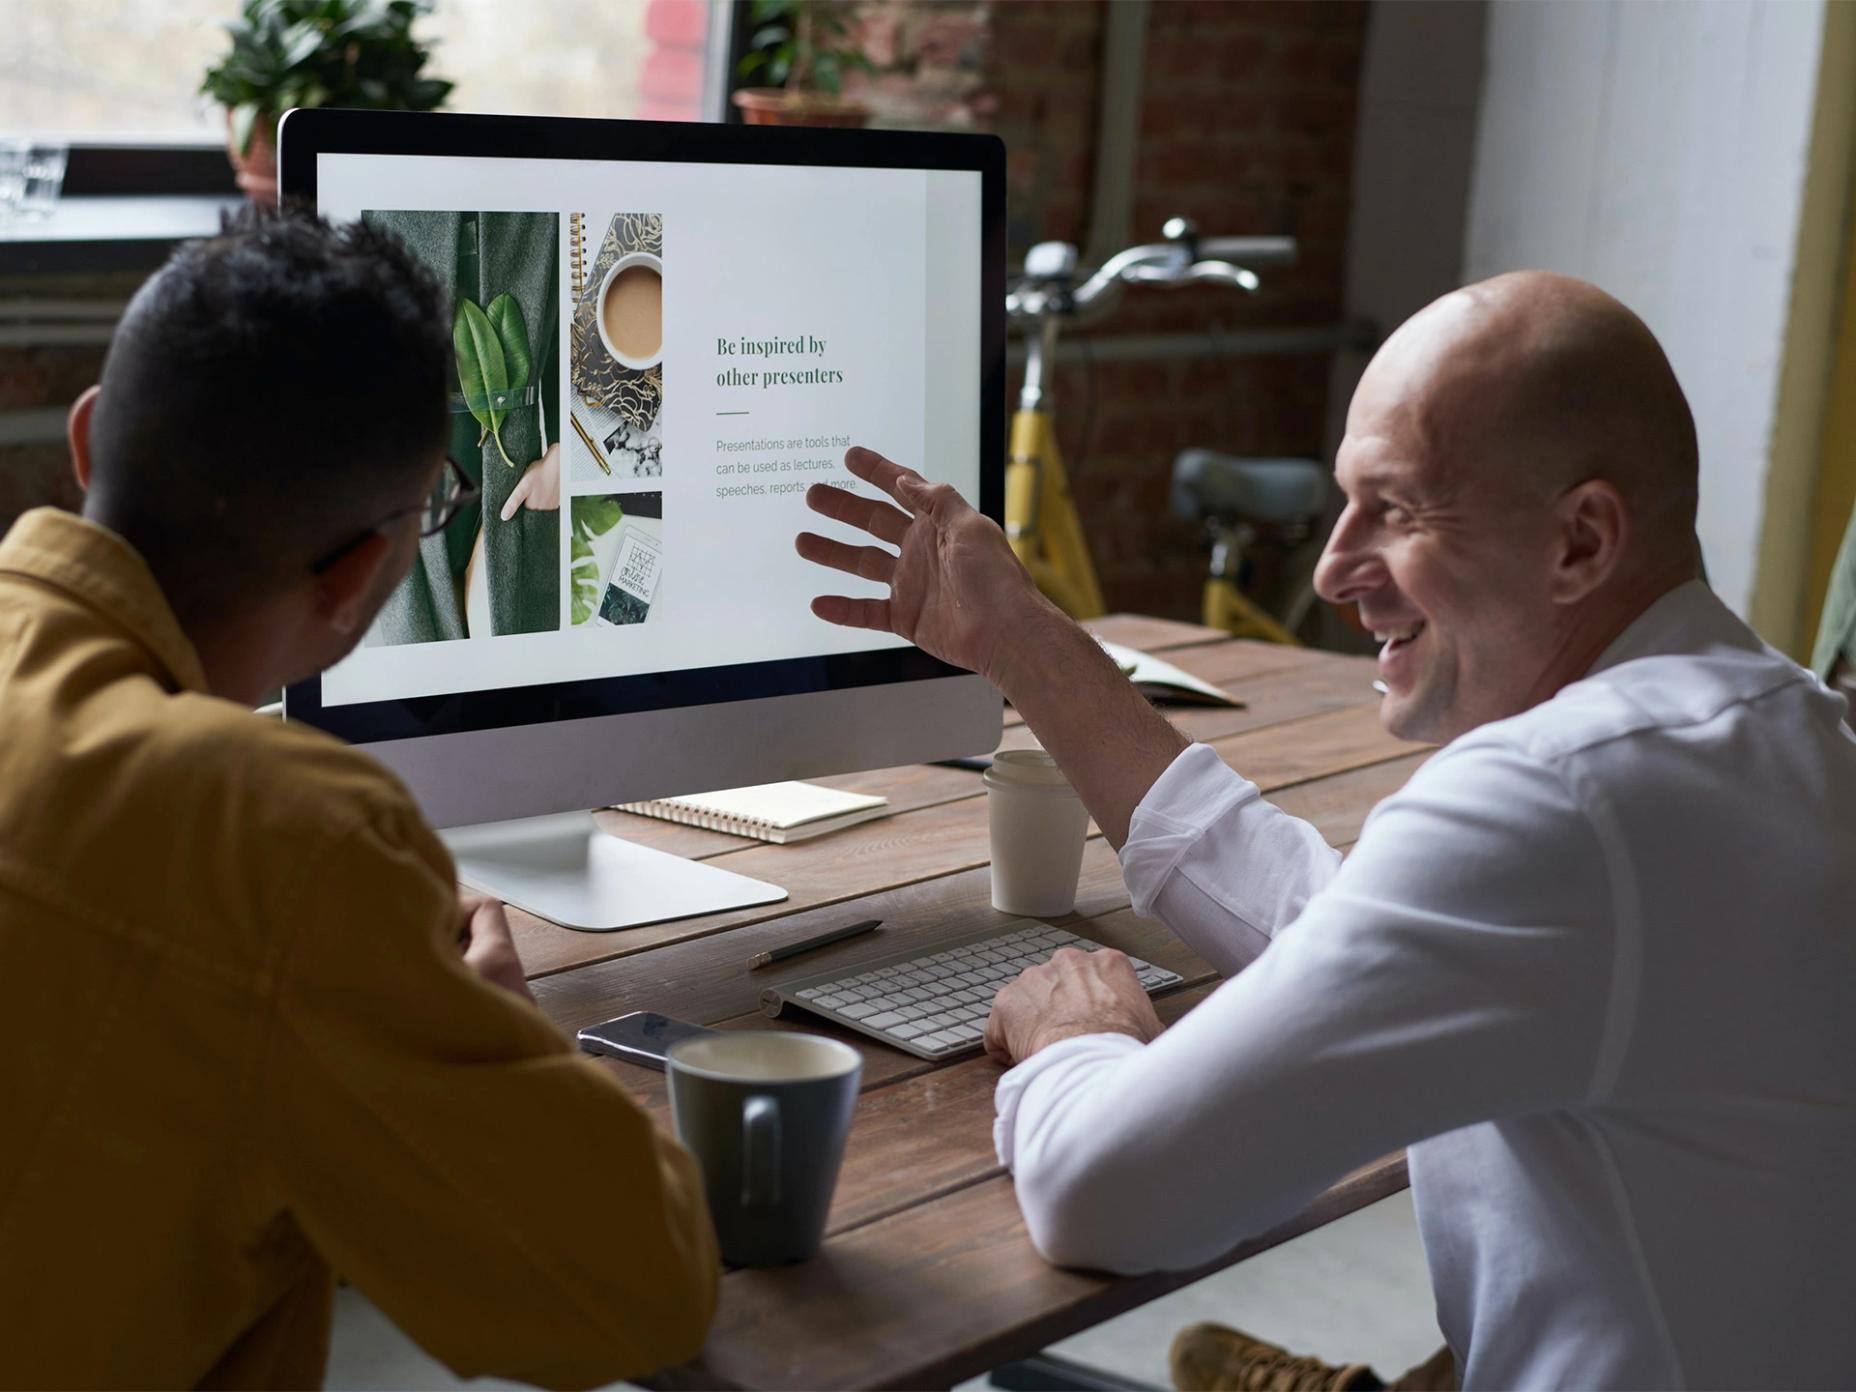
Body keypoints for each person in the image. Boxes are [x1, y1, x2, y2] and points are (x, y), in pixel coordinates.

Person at [797, 271, 1856, 1389]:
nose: (1331, 568)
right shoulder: (1780, 732)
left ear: (1580, 542)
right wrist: (1017, 637)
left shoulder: (1559, 798)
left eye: (1394, 510)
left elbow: (1100, 1196)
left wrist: (1077, 1041)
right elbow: (1359, 933)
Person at [0, 205, 717, 1389]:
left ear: (87, 441)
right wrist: (500, 1031)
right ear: (359, 577)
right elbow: (639, 1295)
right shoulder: (281, 841)